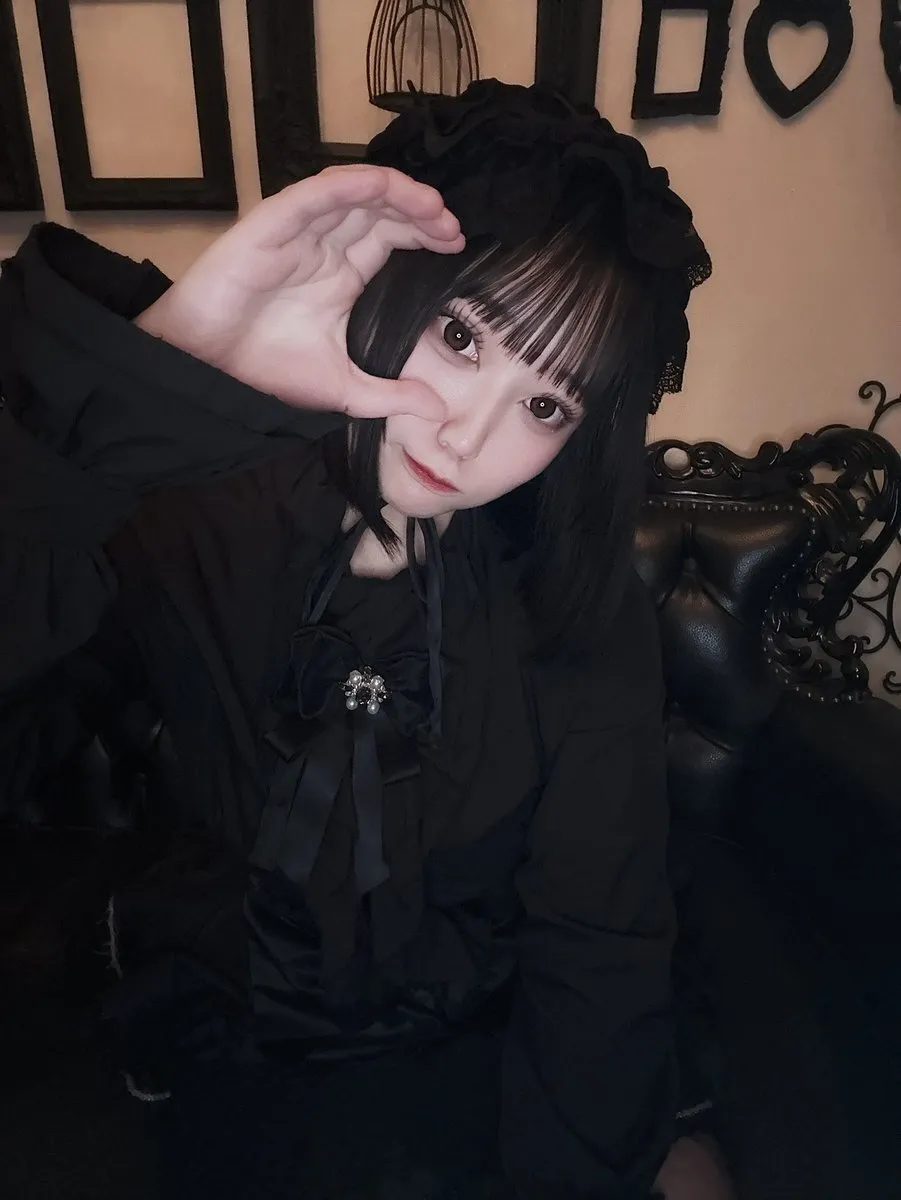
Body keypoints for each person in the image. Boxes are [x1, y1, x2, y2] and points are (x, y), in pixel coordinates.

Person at [0, 80, 732, 1199]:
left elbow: (596, 938)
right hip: (229, 1036)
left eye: (547, 406)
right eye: (460, 335)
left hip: (477, 1052)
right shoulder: (184, 517)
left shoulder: (572, 607)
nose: (468, 434)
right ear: (384, 278)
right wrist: (177, 361)